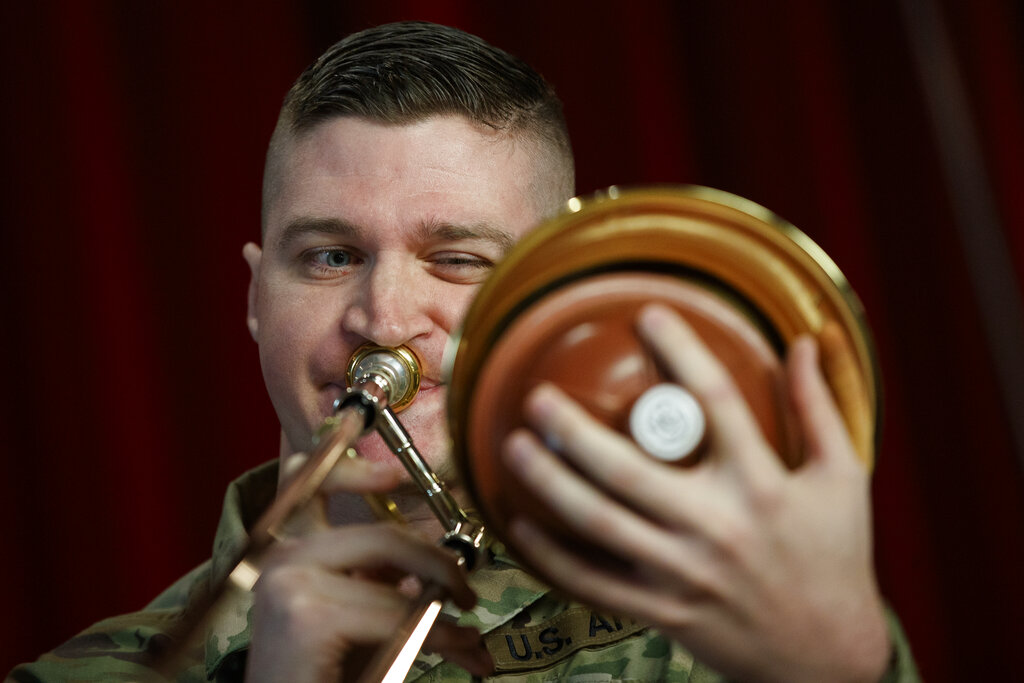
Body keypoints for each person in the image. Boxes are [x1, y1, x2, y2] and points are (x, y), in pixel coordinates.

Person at [8, 21, 918, 683]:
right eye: (330, 256)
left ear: (548, 300)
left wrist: (841, 670)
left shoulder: (714, 623)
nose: (382, 314)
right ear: (255, 297)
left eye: (456, 260)